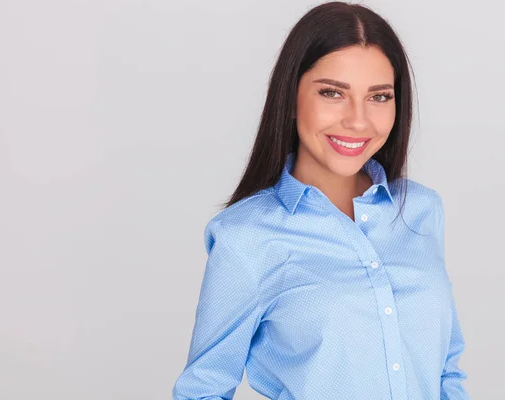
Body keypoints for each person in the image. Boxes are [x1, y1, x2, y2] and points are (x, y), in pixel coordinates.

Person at [172, 1, 469, 399]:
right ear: (290, 98)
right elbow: (202, 390)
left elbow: (445, 370)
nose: (358, 121)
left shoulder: (421, 210)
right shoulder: (246, 239)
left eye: (379, 97)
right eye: (333, 93)